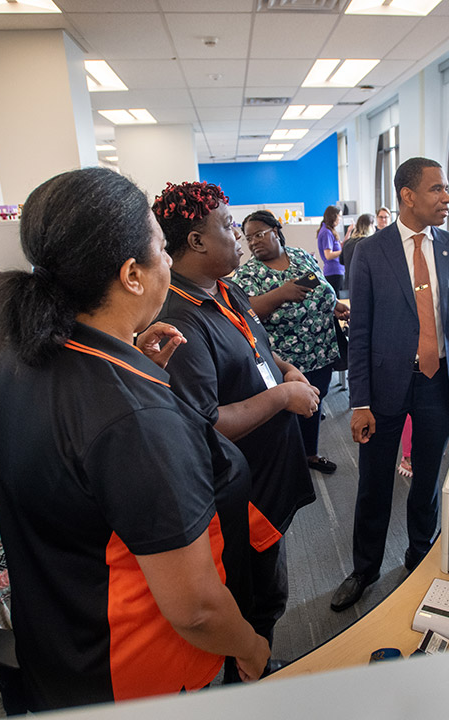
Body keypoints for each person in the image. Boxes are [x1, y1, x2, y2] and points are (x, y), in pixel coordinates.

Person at [0, 167, 268, 711]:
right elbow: (197, 608)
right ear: (132, 274)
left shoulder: (19, 359)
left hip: (60, 643)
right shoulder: (133, 418)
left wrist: (132, 363)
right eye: (162, 250)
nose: (169, 264)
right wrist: (251, 648)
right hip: (138, 673)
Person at [152, 181, 318, 656]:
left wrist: (286, 368)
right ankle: (252, 673)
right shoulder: (181, 318)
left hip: (268, 473)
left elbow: (257, 349)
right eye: (228, 225)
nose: (239, 235)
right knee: (253, 600)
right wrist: (284, 396)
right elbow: (206, 422)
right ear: (197, 241)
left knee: (269, 590)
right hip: (240, 494)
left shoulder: (224, 289)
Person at [331, 157, 449, 612]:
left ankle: (419, 557)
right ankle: (365, 569)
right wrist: (359, 402)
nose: (447, 199)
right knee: (374, 484)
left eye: (447, 189)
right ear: (407, 195)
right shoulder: (371, 252)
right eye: (437, 190)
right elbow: (361, 333)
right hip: (385, 388)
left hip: (439, 385)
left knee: (428, 481)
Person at [233, 209, 350, 474]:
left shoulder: (300, 256)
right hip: (283, 361)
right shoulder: (249, 274)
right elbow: (245, 314)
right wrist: (280, 294)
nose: (253, 242)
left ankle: (310, 454)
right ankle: (288, 464)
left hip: (320, 351)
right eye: (248, 239)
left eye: (259, 234)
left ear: (275, 231)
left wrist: (333, 305)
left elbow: (319, 286)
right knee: (286, 415)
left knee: (314, 403)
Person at [341, 212, 374, 292]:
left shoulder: (348, 242)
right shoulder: (368, 243)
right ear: (370, 226)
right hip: (364, 286)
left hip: (348, 284)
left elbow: (341, 261)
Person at [317, 204, 344, 293]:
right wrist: (342, 252)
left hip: (336, 270)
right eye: (339, 216)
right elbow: (328, 255)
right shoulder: (326, 232)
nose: (340, 219)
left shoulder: (328, 230)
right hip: (333, 271)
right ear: (333, 216)